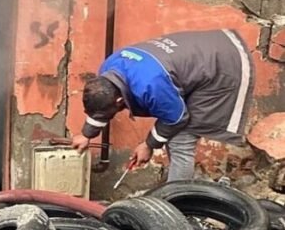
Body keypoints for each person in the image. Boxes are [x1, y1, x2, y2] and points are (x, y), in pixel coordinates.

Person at [72, 30, 253, 182]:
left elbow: (176, 118)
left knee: (180, 141)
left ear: (119, 101)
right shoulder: (108, 70)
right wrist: (86, 134)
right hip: (205, 51)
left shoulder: (150, 85)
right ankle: (176, 195)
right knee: (174, 135)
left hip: (224, 64)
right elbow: (101, 108)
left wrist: (148, 145)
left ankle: (174, 207)